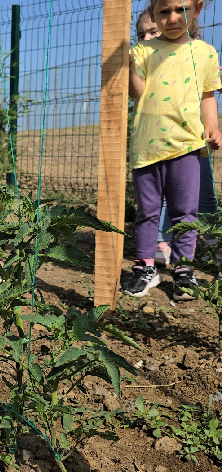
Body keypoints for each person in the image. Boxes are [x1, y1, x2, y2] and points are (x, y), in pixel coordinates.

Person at [122, 0, 222, 300]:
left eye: (181, 9)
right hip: (146, 146)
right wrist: (128, 67)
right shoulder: (143, 51)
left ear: (197, 10)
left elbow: (207, 96)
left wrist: (213, 127)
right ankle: (145, 267)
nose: (173, 17)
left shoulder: (204, 53)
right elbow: (137, 93)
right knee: (147, 212)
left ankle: (183, 270)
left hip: (186, 146)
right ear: (154, 14)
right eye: (164, 11)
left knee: (184, 214)